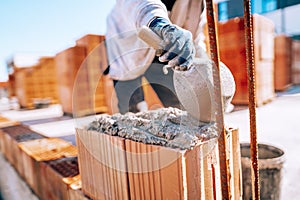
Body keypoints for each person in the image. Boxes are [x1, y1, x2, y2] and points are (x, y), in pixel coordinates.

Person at [105, 0, 209, 114]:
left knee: (179, 106)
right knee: (132, 113)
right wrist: (159, 24)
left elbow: (195, 39)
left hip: (162, 48)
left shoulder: (198, 4)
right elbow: (141, 5)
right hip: (127, 51)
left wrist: (205, 67)